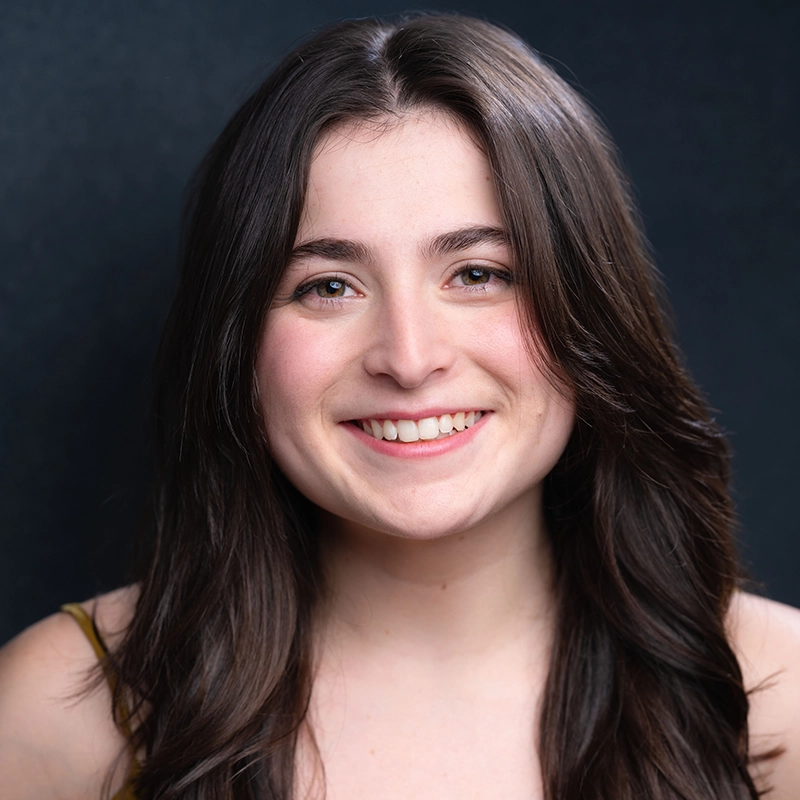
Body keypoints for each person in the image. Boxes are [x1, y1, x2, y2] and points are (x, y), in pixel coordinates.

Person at [1, 12, 799, 800]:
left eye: (479, 273)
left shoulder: (779, 702)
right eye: (328, 287)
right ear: (235, 343)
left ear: (591, 306)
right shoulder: (61, 716)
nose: (411, 359)